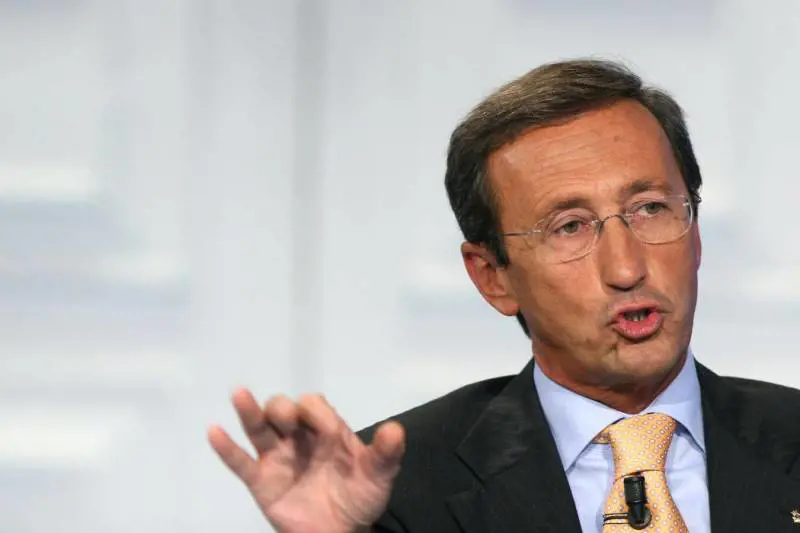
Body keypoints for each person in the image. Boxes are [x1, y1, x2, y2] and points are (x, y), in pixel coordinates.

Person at [207, 58, 800, 533]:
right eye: (570, 226)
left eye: (650, 209)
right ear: (492, 276)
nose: (627, 268)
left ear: (695, 231)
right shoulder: (395, 493)